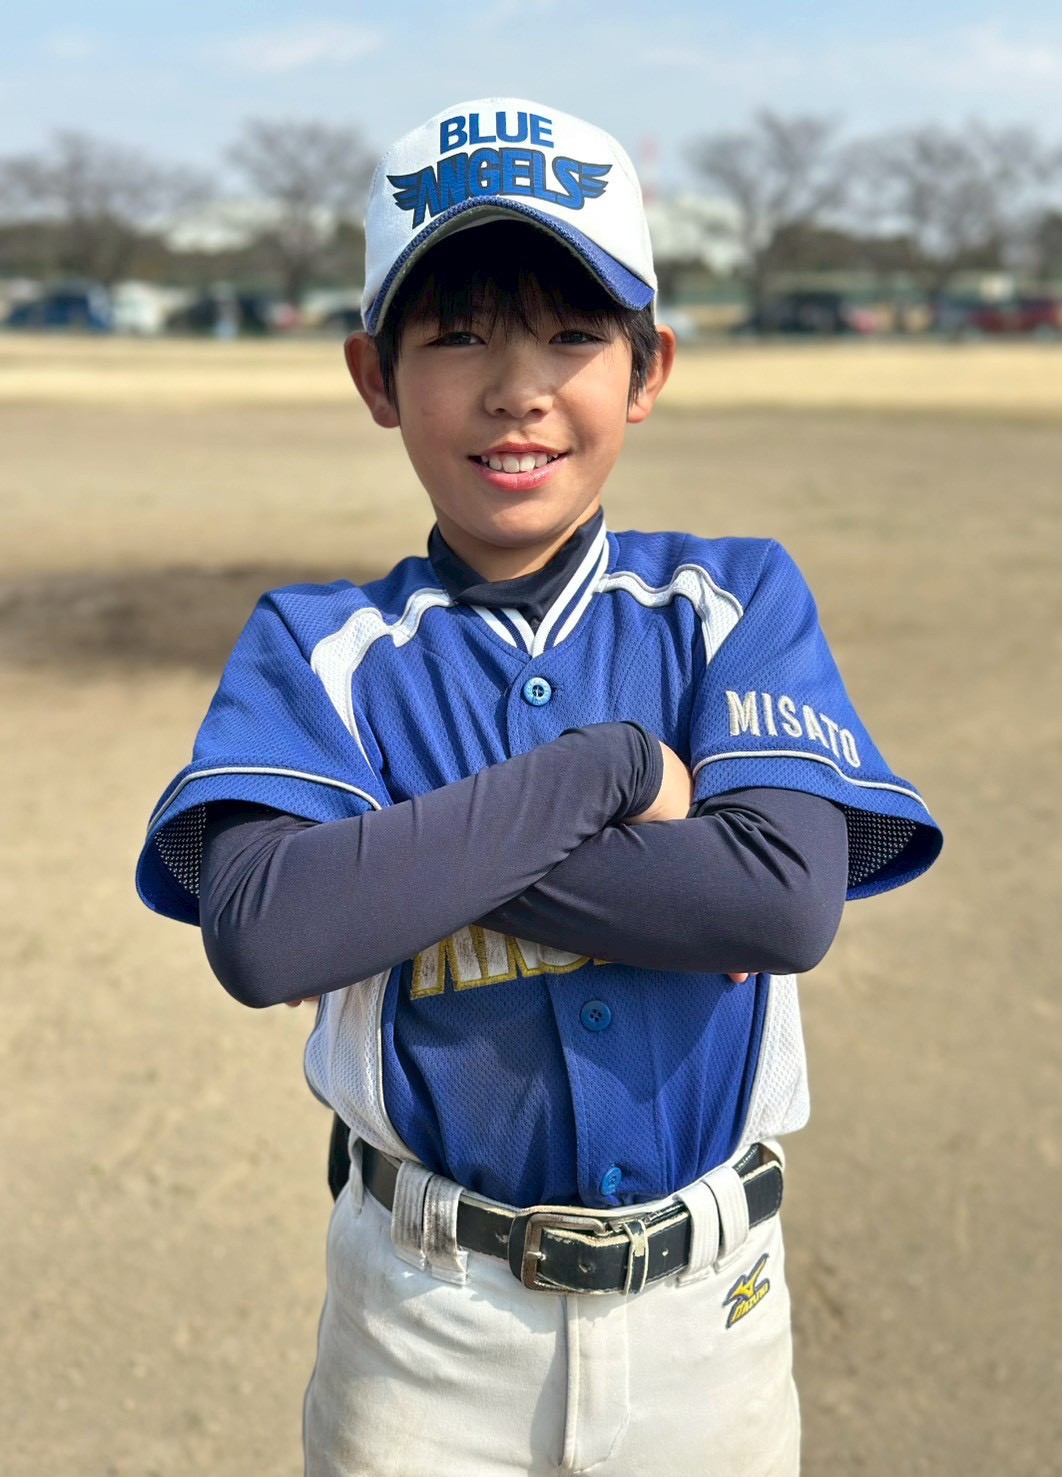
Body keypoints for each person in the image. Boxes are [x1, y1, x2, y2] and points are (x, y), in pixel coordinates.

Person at [136, 97, 942, 1476]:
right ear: (375, 375)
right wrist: (607, 768)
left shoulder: (730, 601)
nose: (518, 389)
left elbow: (777, 902)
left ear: (647, 368)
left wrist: (396, 863)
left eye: (572, 334)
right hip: (427, 1327)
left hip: (710, 1321)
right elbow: (270, 930)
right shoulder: (323, 646)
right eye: (457, 335)